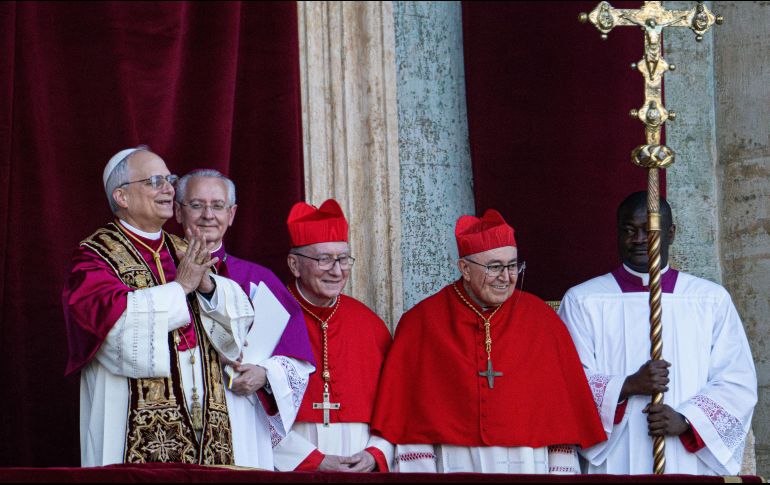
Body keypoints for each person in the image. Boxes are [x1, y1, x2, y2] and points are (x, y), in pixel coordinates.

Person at [371, 209, 606, 474]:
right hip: (453, 464)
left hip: (528, 464)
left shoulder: (543, 321)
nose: (506, 277)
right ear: (465, 269)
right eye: (494, 267)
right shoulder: (422, 323)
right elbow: (409, 422)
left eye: (513, 265)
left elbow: (561, 422)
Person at [63, 147, 255, 467]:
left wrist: (208, 287)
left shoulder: (184, 249)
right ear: (122, 196)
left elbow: (237, 330)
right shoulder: (95, 255)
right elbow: (112, 326)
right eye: (155, 181)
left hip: (204, 413)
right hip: (128, 416)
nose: (169, 189)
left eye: (170, 179)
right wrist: (180, 288)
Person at [558, 191, 757, 475]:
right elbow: (567, 383)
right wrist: (627, 386)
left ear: (671, 233)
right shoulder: (584, 300)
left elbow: (737, 382)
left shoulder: (709, 300)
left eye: (648, 230)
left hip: (686, 458)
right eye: (629, 230)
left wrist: (687, 421)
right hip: (617, 456)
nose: (639, 239)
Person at [174, 169, 315, 469]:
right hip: (178, 414)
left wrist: (265, 376)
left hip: (241, 418)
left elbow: (298, 361)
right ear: (178, 211)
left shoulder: (258, 279)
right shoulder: (157, 271)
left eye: (218, 205)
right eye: (197, 205)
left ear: (232, 213)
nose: (208, 215)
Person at [271, 199, 394, 472]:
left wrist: (376, 453)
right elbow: (251, 408)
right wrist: (312, 461)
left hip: (361, 464)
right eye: (324, 259)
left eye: (343, 259)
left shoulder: (369, 324)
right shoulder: (270, 315)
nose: (337, 271)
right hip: (290, 465)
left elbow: (395, 404)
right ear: (294, 264)